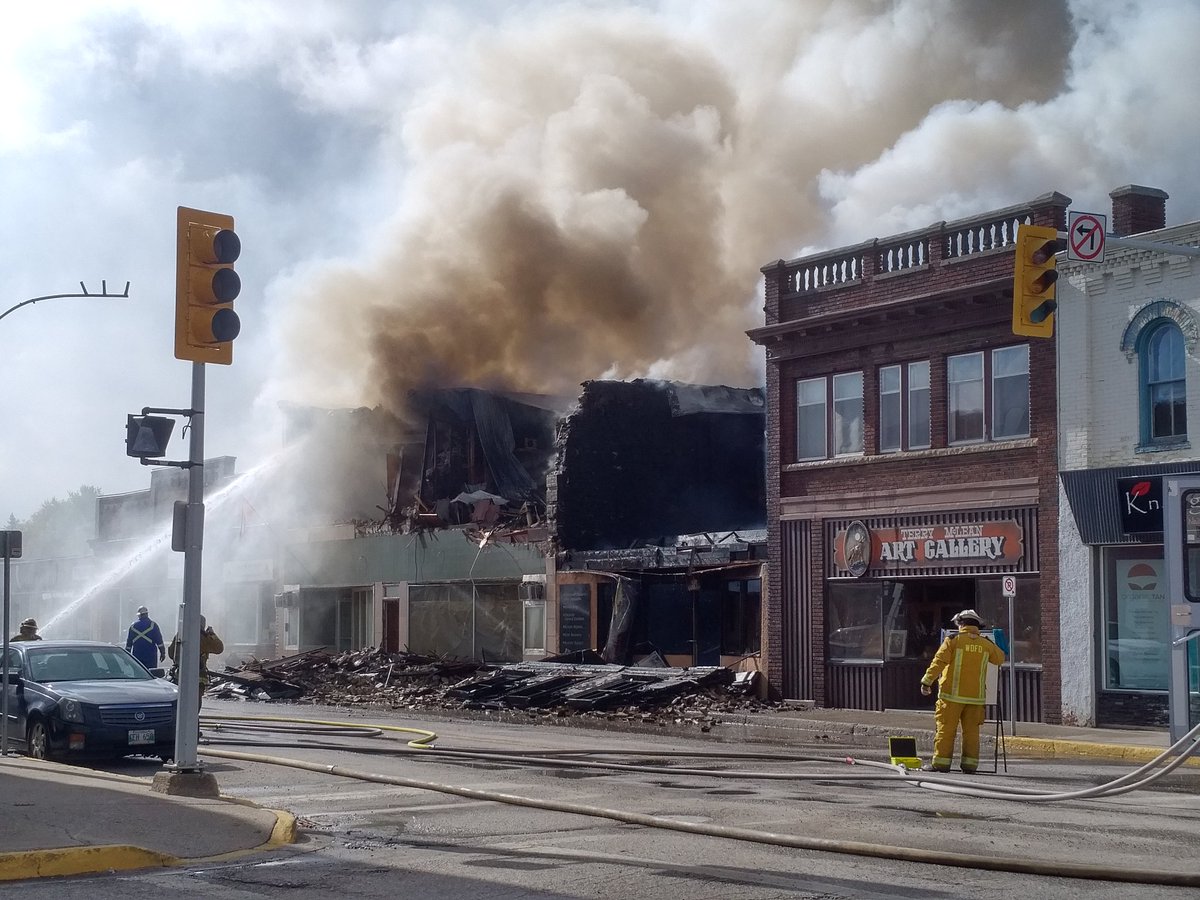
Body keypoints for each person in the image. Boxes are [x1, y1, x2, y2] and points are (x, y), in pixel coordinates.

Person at [919, 608, 1005, 774]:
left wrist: (926, 682)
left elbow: (938, 662)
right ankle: (970, 765)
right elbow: (1000, 658)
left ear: (961, 624)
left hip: (951, 697)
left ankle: (941, 764)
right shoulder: (986, 644)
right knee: (971, 733)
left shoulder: (953, 640)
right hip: (975, 699)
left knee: (946, 730)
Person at [167, 616, 224, 707]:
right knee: (195, 705)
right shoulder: (204, 637)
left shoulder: (180, 634)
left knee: (180, 703)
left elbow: (171, 653)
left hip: (180, 675)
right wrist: (212, 634)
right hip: (197, 677)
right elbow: (219, 648)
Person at [125, 605, 166, 671]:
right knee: (151, 674)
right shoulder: (153, 625)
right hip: (151, 656)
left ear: (139, 615)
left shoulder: (133, 626)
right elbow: (159, 641)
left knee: (138, 673)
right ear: (147, 614)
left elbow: (129, 644)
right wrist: (162, 653)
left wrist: (127, 657)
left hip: (137, 656)